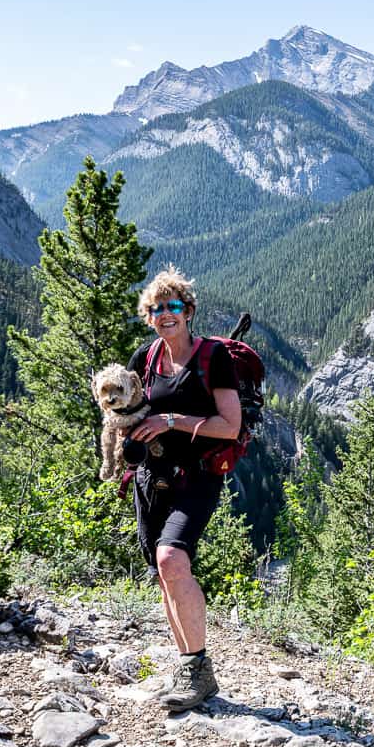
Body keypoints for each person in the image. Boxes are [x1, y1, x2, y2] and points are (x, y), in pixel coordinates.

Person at [126, 265, 243, 711]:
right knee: (163, 573)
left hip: (197, 476)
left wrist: (173, 421)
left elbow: (229, 427)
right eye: (156, 309)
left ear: (188, 311)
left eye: (173, 306)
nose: (164, 314)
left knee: (172, 557)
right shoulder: (145, 358)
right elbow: (132, 411)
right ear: (149, 316)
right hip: (149, 479)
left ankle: (198, 669)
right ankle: (187, 667)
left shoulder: (214, 358)